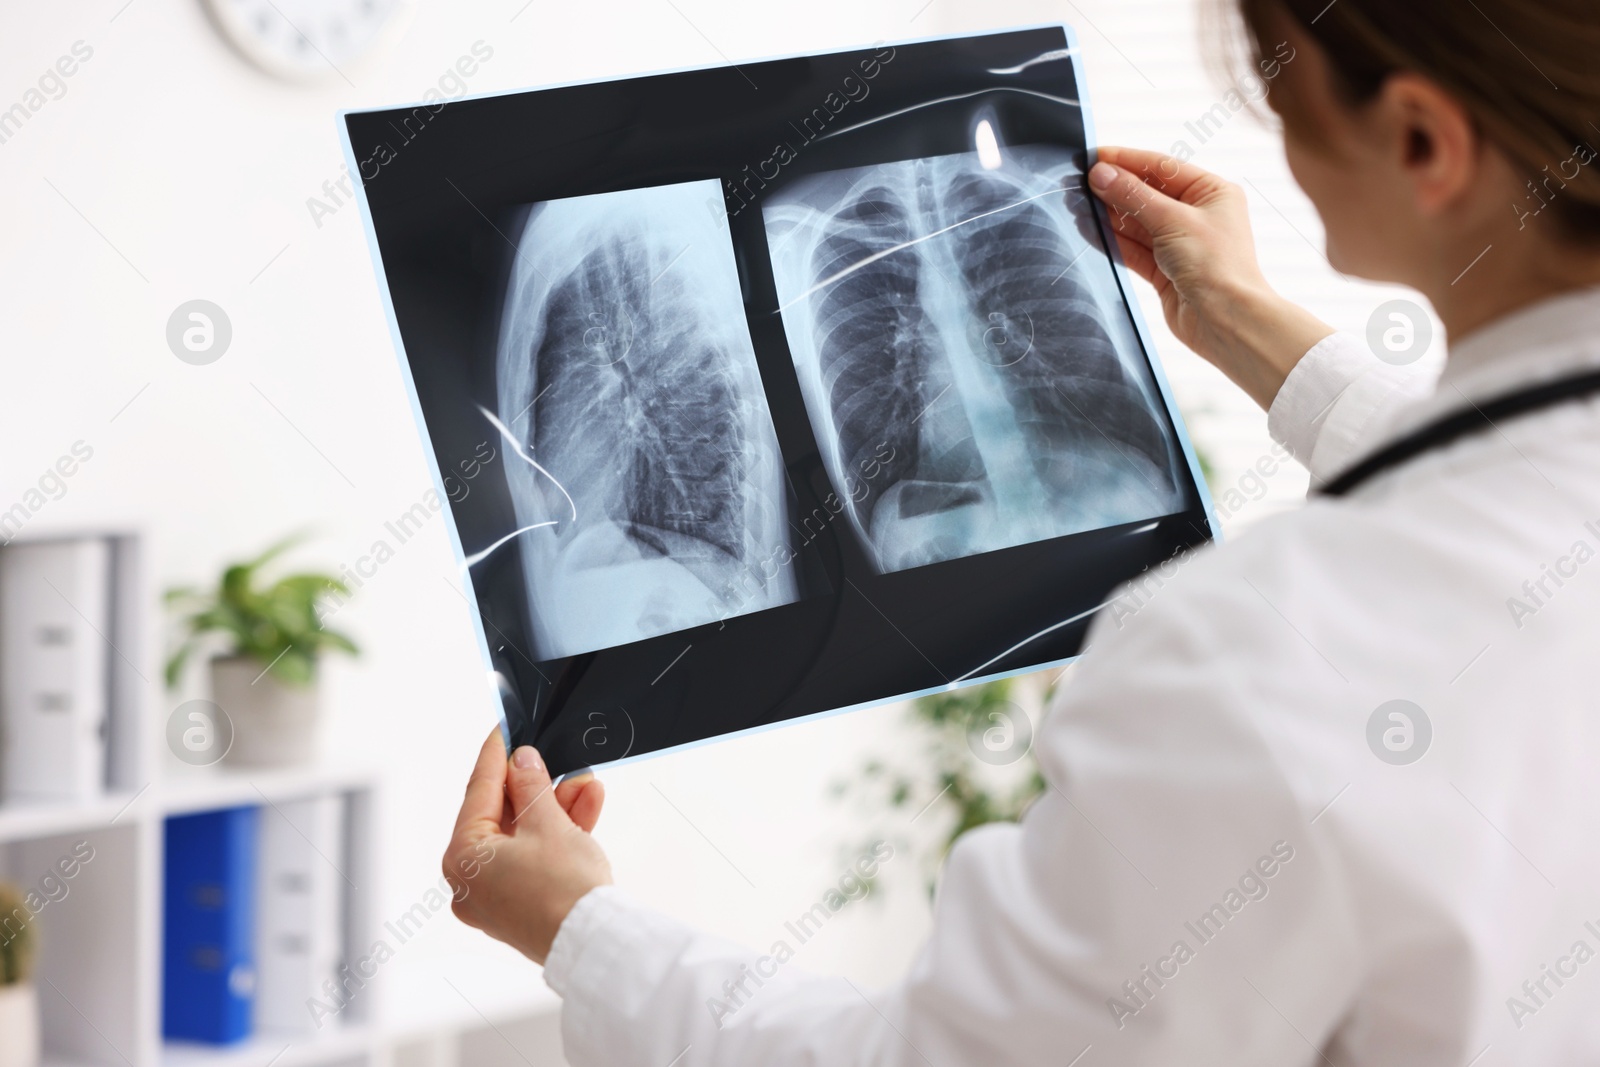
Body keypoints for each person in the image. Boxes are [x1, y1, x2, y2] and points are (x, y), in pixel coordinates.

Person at [442, 0, 1600, 1061]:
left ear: (1420, 142)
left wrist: (573, 926)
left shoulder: (1256, 652)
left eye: (1279, 93)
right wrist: (1253, 327)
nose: (1276, 128)